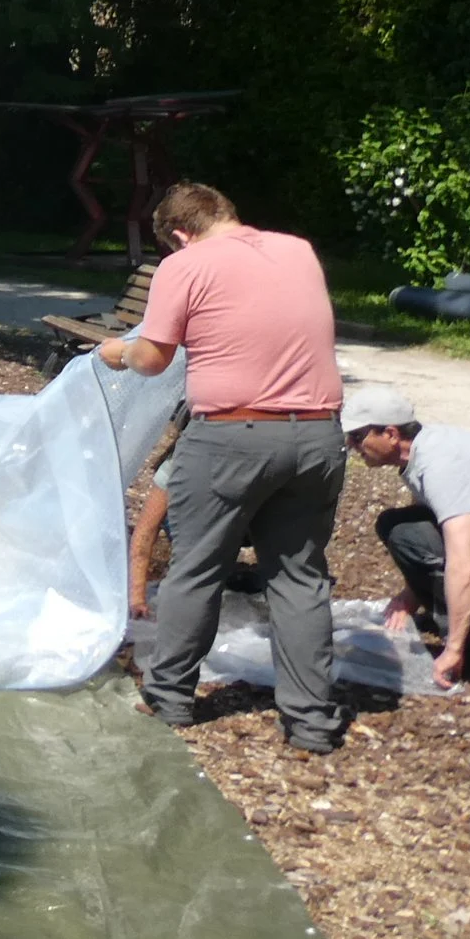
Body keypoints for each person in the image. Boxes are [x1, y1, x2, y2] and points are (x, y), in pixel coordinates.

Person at [98, 182, 347, 753]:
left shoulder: (186, 265)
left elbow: (154, 358)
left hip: (231, 435)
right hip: (317, 435)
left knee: (197, 569)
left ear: (180, 235)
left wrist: (118, 351)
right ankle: (310, 724)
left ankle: (171, 700)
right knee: (300, 577)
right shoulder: (298, 250)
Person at [343, 384, 470, 687]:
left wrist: (454, 649)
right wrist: (412, 594)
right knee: (398, 525)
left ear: (391, 434)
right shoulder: (428, 446)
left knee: (412, 537)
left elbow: (462, 565)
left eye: (357, 436)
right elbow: (433, 524)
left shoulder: (439, 466)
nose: (352, 445)